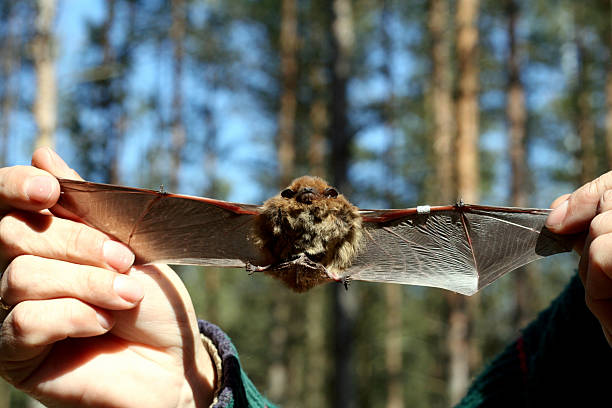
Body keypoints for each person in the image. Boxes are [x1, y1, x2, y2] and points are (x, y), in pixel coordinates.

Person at [0, 147, 610, 407]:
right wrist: (200, 394)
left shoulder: (358, 223)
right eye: (296, 197)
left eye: (318, 199)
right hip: (278, 264)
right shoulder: (562, 346)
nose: (306, 205)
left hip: (335, 263)